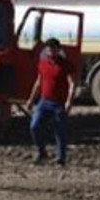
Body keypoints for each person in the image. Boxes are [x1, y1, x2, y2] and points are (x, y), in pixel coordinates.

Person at [26, 38, 76, 166]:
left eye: (54, 48)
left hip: (59, 103)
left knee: (59, 131)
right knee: (34, 126)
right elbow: (38, 82)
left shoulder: (66, 65)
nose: (51, 51)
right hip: (44, 101)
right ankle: (42, 152)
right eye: (49, 49)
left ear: (58, 50)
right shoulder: (43, 63)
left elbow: (72, 84)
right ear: (46, 50)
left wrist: (69, 101)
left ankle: (61, 158)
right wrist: (31, 100)